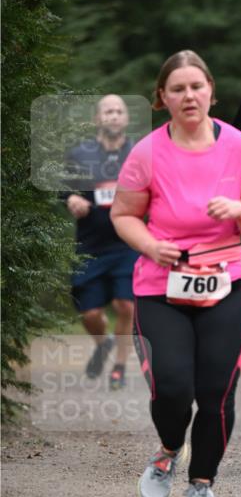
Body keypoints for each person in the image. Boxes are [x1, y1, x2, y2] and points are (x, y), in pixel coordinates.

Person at [111, 50, 241, 497]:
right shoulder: (147, 152)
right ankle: (167, 450)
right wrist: (151, 246)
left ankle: (202, 484)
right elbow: (123, 215)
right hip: (161, 285)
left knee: (217, 391)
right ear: (162, 98)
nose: (189, 96)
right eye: (178, 89)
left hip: (226, 283)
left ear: (211, 92)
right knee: (173, 388)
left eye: (196, 87)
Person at [65, 95, 137, 389]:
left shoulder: (137, 153)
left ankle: (119, 367)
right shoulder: (80, 155)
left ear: (126, 119)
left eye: (119, 111)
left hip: (126, 244)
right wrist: (71, 198)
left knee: (126, 305)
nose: (114, 116)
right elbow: (64, 188)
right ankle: (103, 343)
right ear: (98, 119)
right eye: (108, 111)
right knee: (90, 312)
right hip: (90, 245)